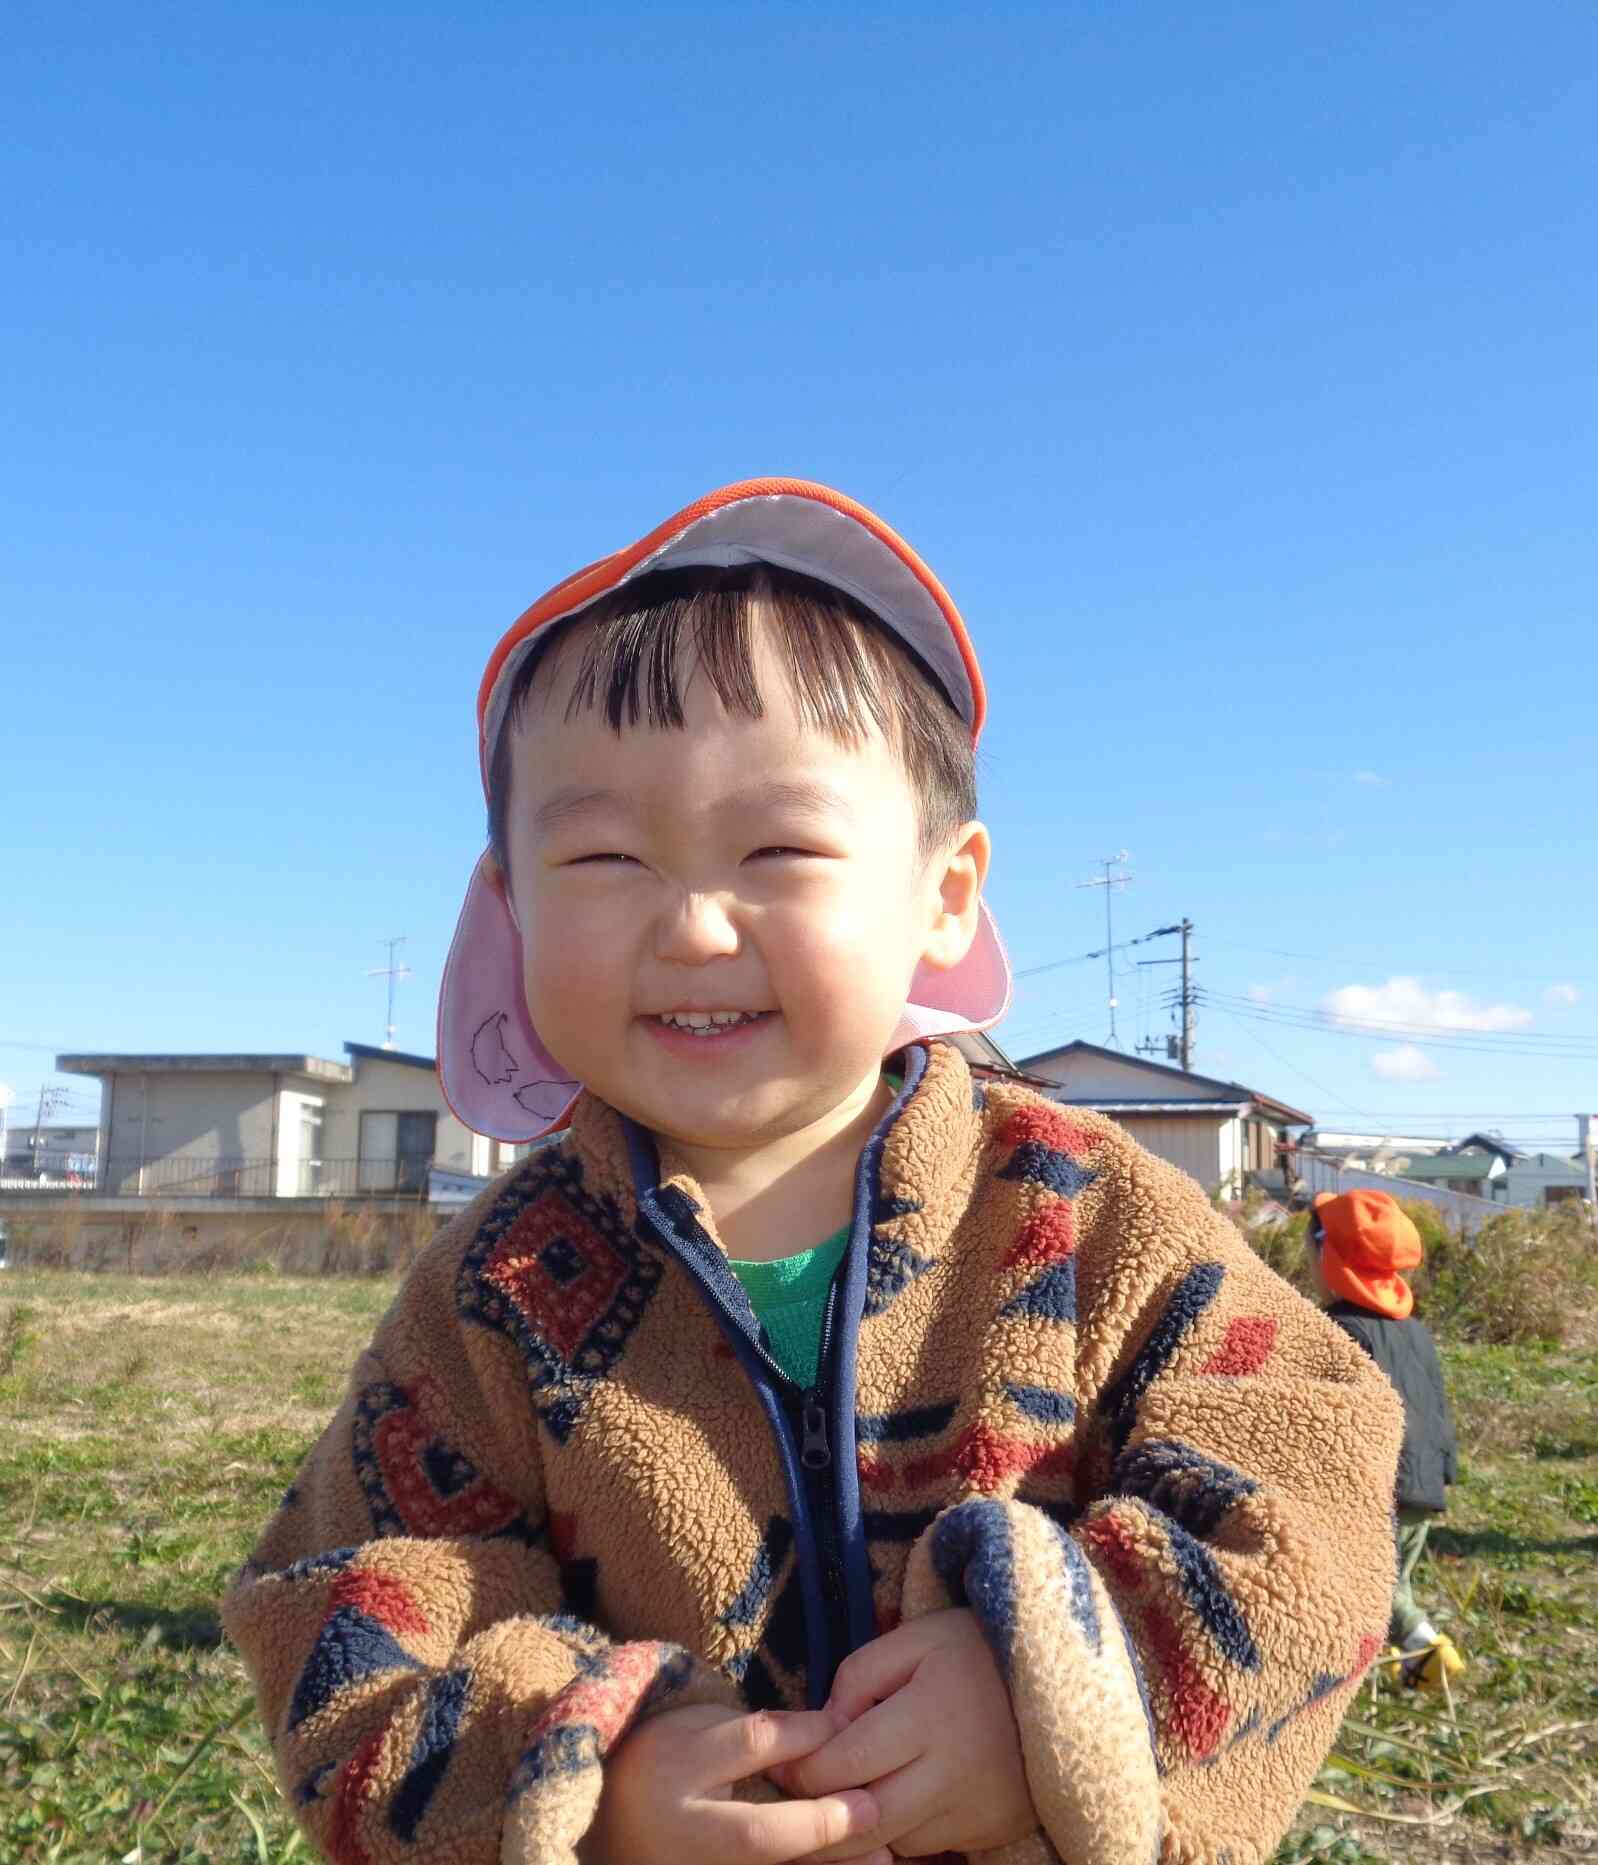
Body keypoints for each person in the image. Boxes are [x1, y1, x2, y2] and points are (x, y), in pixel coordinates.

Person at [224, 479, 1403, 1865]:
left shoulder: (1077, 1209)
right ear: (509, 903)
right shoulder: (495, 1292)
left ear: (942, 895)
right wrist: (592, 1789)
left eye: (777, 848)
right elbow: (341, 1605)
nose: (696, 923)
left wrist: (1056, 1697)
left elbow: (1312, 1484)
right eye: (602, 856)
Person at [1308, 1189, 1465, 1691]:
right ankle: (1402, 1672)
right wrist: (1444, 1472)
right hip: (1421, 1483)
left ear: (1329, 1257)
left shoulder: (1341, 1332)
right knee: (1392, 1582)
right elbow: (1434, 1405)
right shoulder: (1413, 1330)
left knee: (1376, 1592)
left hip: (1379, 1492)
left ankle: (1427, 1652)